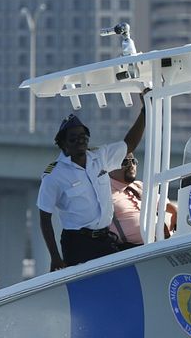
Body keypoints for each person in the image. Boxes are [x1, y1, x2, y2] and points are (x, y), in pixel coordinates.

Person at [37, 92, 148, 271]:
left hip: (105, 238)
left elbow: (129, 145)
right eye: (73, 138)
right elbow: (44, 218)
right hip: (78, 244)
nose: (80, 141)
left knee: (137, 263)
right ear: (63, 144)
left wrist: (145, 111)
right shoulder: (54, 175)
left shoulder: (100, 157)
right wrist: (55, 258)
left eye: (83, 137)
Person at [108, 153, 177, 248]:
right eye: (124, 162)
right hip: (134, 250)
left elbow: (166, 205)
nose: (131, 165)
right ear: (110, 167)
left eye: (133, 161)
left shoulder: (139, 185)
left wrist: (176, 216)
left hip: (165, 241)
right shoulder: (104, 193)